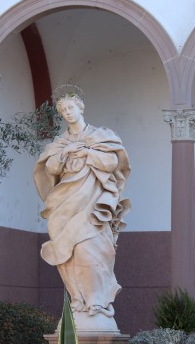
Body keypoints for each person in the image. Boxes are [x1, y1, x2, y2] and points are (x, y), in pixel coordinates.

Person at [34, 91, 130, 327]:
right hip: (64, 205)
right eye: (63, 111)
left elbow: (112, 163)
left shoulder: (100, 136)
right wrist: (65, 154)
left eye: (71, 108)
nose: (68, 113)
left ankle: (97, 303)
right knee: (67, 253)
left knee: (90, 249)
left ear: (80, 108)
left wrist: (87, 152)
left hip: (92, 205)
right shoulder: (60, 144)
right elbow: (51, 169)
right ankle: (78, 301)